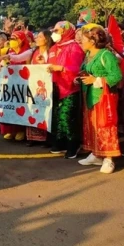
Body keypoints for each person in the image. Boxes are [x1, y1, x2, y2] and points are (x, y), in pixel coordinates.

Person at [78, 25, 122, 173]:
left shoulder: (106, 55)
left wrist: (95, 80)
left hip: (105, 97)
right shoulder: (88, 55)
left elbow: (116, 76)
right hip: (91, 96)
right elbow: (87, 72)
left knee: (105, 126)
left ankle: (109, 158)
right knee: (93, 126)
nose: (81, 42)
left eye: (83, 40)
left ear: (93, 40)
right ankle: (96, 154)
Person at [48, 21, 85, 158]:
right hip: (56, 87)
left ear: (66, 31)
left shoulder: (74, 48)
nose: (54, 34)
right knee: (57, 117)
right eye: (54, 31)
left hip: (70, 89)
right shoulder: (53, 48)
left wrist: (62, 69)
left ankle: (73, 145)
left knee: (67, 117)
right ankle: (60, 143)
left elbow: (77, 69)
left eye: (57, 31)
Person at [0, 31, 30, 141]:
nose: (12, 41)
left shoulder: (28, 51)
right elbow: (3, 62)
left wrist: (7, 57)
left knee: (21, 106)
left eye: (14, 38)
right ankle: (11, 130)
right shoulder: (10, 52)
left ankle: (20, 130)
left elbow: (19, 58)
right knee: (10, 106)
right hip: (11, 83)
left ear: (21, 40)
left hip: (23, 84)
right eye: (11, 38)